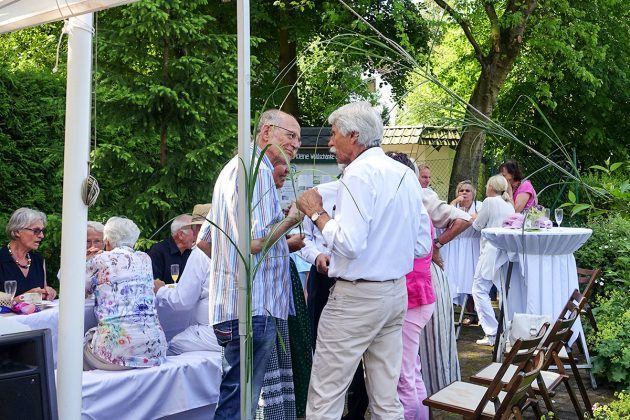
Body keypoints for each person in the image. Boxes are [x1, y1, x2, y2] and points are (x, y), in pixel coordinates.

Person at [297, 101, 432, 419]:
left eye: (333, 134)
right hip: (395, 293)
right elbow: (421, 244)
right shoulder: (405, 174)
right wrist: (386, 248)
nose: (330, 142)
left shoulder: (357, 174)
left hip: (357, 296)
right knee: (386, 398)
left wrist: (316, 212)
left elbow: (348, 243)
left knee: (325, 396)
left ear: (354, 135)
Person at [204, 109, 303, 420]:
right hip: (252, 308)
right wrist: (293, 218)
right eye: (290, 136)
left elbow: (205, 239)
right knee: (241, 404)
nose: (295, 145)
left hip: (233, 305)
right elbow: (254, 241)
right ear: (265, 133)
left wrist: (230, 269)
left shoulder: (232, 169)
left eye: (298, 140)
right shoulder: (257, 171)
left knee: (236, 397)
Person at [83, 216, 167, 370]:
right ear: (134, 241)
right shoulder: (144, 258)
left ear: (107, 241)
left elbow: (79, 290)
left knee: (76, 351)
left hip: (117, 354)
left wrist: (86, 261)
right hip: (155, 350)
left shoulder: (100, 259)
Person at [153, 205, 220, 355]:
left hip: (213, 332)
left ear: (198, 228)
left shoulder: (201, 253)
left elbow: (182, 301)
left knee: (170, 345)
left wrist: (160, 290)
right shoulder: (236, 248)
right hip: (239, 330)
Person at [471, 175, 516, 346]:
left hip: (490, 251)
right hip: (504, 252)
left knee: (479, 289)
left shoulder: (489, 202)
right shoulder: (508, 205)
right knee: (503, 292)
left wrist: (474, 216)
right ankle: (507, 330)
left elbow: (477, 226)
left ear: (490, 187)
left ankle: (492, 332)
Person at [443, 180, 482, 322]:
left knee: (471, 279)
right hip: (456, 246)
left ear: (473, 194)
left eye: (468, 190)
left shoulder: (480, 206)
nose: (464, 193)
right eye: (461, 190)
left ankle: (477, 313)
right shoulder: (453, 206)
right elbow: (445, 217)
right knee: (456, 279)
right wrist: (453, 204)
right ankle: (465, 313)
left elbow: (478, 220)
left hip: (472, 246)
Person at [0, 208, 56, 300]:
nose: (42, 236)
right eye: (36, 231)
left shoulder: (39, 260)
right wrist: (21, 298)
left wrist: (49, 292)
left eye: (42, 231)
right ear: (17, 231)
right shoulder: (2, 258)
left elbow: (42, 293)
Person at [147, 214, 197, 284]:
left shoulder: (193, 253)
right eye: (194, 231)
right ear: (181, 235)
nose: (197, 235)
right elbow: (152, 284)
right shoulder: (158, 252)